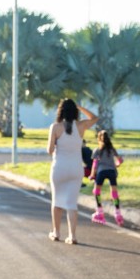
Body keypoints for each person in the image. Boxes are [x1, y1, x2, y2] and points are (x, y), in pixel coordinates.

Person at [47, 98, 98, 244]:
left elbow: (50, 150)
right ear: (75, 111)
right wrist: (80, 106)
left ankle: (56, 233)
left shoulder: (55, 127)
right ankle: (72, 236)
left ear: (60, 111)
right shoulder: (81, 126)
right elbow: (95, 118)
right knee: (71, 204)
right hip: (76, 169)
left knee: (57, 202)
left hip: (59, 168)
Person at [89, 130, 125, 226]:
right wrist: (116, 165)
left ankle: (99, 211)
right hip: (112, 172)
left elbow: (95, 164)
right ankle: (118, 213)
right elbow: (120, 160)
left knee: (96, 191)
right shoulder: (112, 149)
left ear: (99, 139)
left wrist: (92, 175)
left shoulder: (97, 150)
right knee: (114, 193)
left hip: (101, 172)